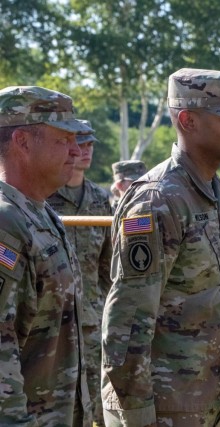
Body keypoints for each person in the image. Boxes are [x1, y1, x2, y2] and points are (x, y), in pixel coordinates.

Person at [102, 68, 220, 427]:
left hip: (206, 402)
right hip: (162, 410)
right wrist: (136, 418)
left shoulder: (211, 190)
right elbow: (127, 325)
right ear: (188, 120)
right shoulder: (158, 200)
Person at [0, 85, 92, 425]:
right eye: (62, 140)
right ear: (22, 142)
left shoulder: (41, 213)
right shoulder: (6, 221)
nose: (75, 151)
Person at [47, 119, 113, 426]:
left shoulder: (100, 200)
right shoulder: (46, 197)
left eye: (90, 145)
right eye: (80, 143)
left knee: (95, 402)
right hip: (52, 321)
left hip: (91, 318)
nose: (84, 151)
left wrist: (101, 309)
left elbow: (107, 265)